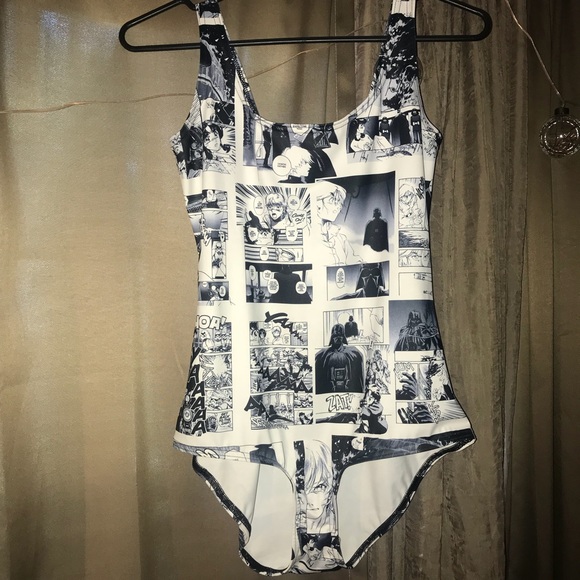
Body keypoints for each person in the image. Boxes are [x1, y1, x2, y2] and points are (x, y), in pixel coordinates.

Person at [315, 324, 364, 394]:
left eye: (340, 335)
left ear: (343, 337)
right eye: (335, 336)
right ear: (332, 337)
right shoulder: (322, 355)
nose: (338, 338)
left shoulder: (354, 354)